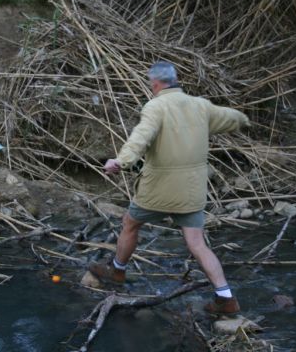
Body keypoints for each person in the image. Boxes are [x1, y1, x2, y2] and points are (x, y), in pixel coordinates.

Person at [89, 61, 250, 314]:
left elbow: (141, 136)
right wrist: (244, 120)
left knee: (130, 223)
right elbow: (233, 118)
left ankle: (117, 271)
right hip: (192, 190)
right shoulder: (201, 106)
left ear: (154, 83)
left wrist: (121, 161)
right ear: (174, 80)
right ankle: (226, 297)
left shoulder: (156, 106)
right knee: (197, 244)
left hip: (159, 189)